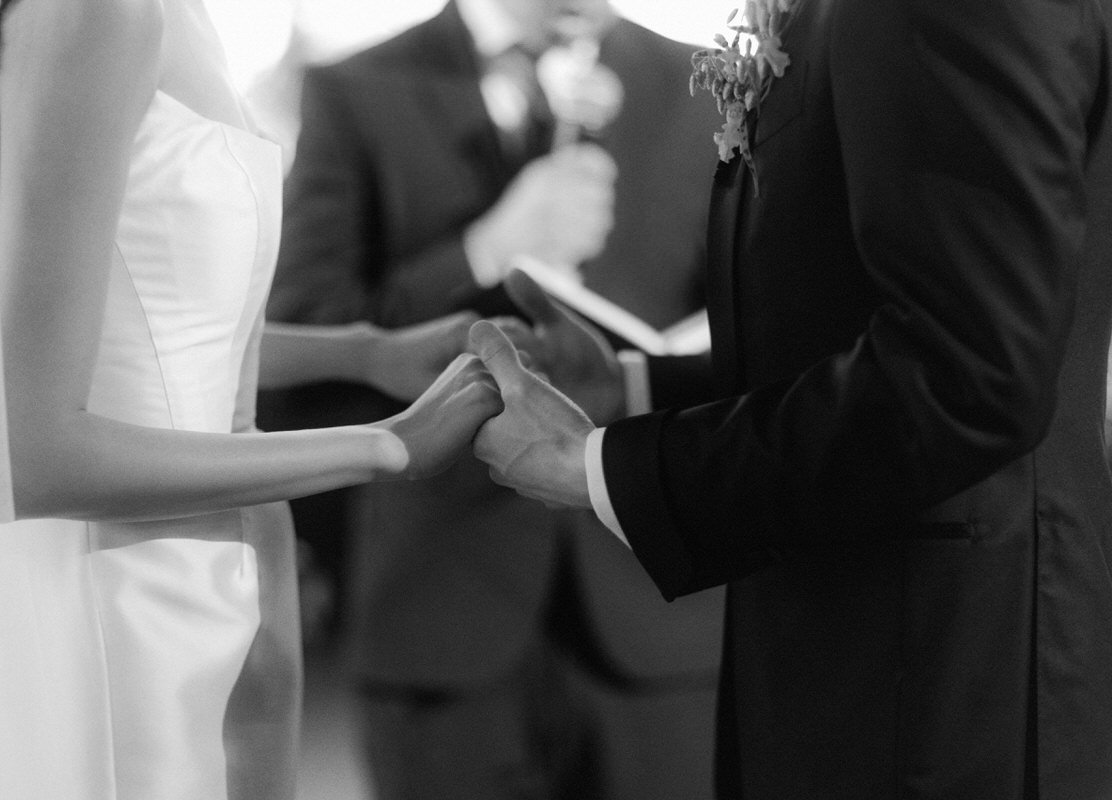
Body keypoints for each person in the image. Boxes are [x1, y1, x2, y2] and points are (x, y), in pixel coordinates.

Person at [468, 0, 1112, 797]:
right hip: (855, 654)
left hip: (940, 686)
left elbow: (969, 374)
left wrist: (609, 468)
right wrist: (635, 389)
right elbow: (854, 330)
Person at [0, 1, 506, 798]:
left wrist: (367, 352)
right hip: (141, 608)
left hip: (228, 577)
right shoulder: (94, 15)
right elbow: (22, 458)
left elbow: (158, 325)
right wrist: (383, 444)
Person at [264, 0, 725, 797]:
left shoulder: (705, 86)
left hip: (660, 619)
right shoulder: (357, 87)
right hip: (440, 614)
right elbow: (305, 341)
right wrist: (488, 245)